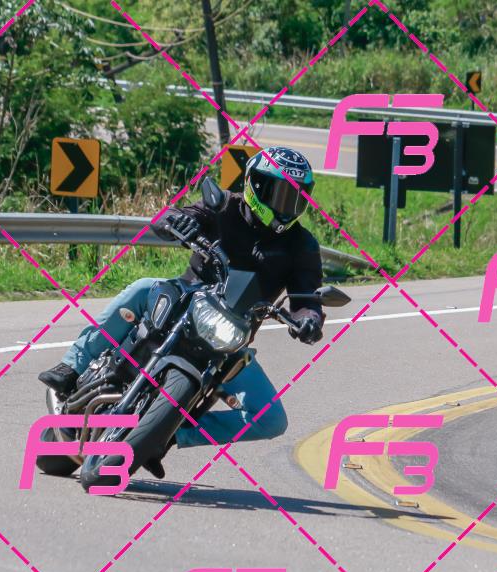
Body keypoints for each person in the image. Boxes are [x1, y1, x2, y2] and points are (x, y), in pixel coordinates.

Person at [38, 146, 325, 456]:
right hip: (185, 300)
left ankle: (171, 431)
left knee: (271, 419)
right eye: (281, 193)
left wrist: (308, 319)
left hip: (230, 339)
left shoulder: (303, 245)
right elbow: (174, 215)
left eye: (296, 197)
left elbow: (306, 296)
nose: (287, 205)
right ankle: (72, 366)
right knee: (142, 288)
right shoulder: (224, 206)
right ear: (255, 185)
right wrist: (177, 221)